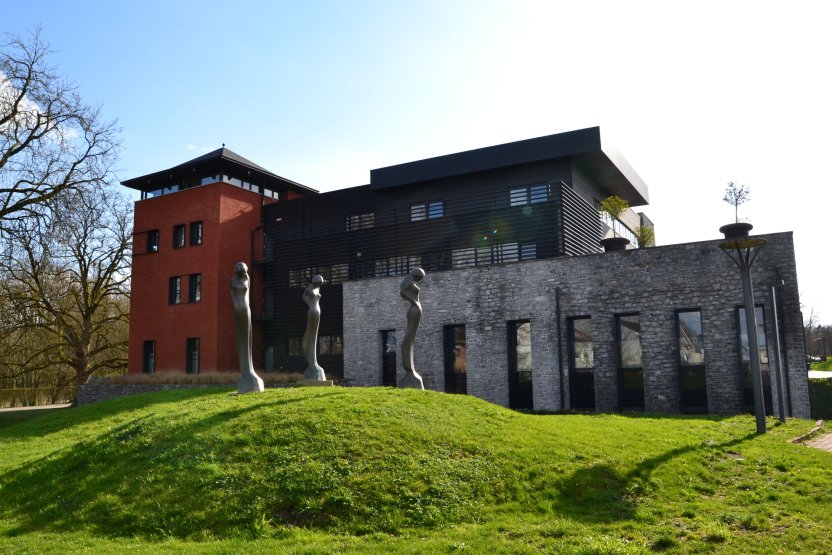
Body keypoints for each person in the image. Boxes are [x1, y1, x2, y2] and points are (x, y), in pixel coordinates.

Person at [231, 262, 264, 393]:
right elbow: (232, 295)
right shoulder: (233, 280)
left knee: (247, 337)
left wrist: (245, 308)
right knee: (241, 337)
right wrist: (236, 307)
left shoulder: (247, 278)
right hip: (238, 309)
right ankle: (246, 371)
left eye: (243, 270)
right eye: (239, 270)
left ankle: (249, 371)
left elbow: (247, 296)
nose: (242, 272)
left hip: (246, 309)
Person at [399, 268, 425, 389]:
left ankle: (411, 370)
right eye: (420, 276)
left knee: (411, 337)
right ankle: (409, 369)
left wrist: (415, 302)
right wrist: (414, 302)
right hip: (414, 309)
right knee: (409, 338)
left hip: (415, 309)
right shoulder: (408, 281)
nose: (420, 278)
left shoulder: (410, 280)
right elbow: (403, 292)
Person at [301, 275, 326, 381]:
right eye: (319, 282)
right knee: (311, 335)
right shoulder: (309, 288)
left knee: (314, 336)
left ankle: (314, 361)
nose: (320, 285)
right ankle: (311, 360)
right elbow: (304, 297)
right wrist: (310, 304)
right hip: (312, 312)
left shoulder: (317, 288)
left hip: (317, 312)